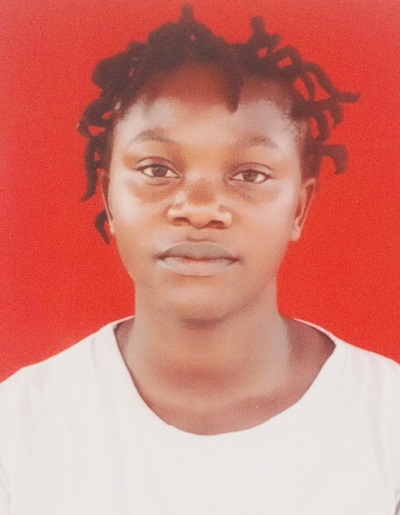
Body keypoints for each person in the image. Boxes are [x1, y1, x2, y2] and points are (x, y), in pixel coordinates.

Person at [1, 5, 399, 514]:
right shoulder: (20, 428)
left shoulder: (386, 421)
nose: (199, 208)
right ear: (108, 199)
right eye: (157, 169)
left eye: (250, 174)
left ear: (299, 208)